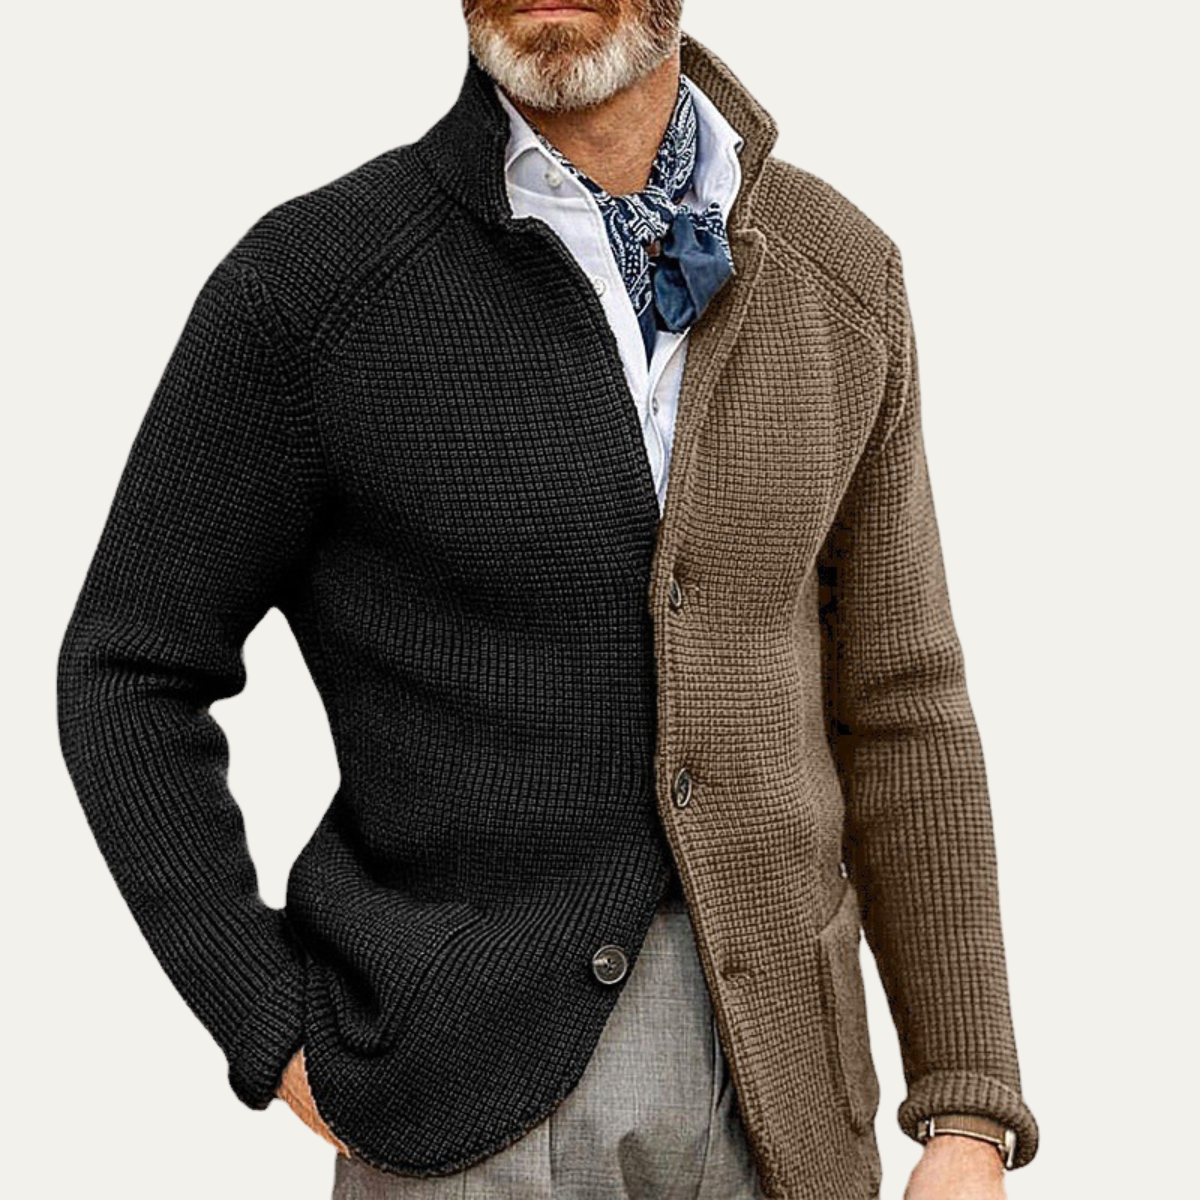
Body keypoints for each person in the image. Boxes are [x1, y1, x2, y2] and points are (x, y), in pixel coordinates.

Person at [56, 2, 1040, 1198]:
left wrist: (967, 1102)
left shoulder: (839, 272)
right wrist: (263, 1017)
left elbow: (901, 700)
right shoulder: (317, 286)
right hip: (453, 1097)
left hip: (787, 1098)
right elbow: (130, 667)